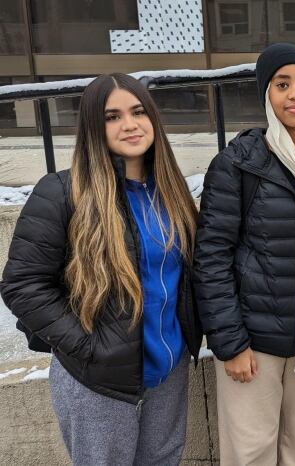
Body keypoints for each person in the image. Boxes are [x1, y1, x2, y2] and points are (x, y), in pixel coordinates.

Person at [0, 73, 202, 466]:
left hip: (167, 370)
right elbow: (23, 284)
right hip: (98, 379)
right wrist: (87, 347)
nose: (129, 124)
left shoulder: (171, 192)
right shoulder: (61, 192)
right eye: (112, 116)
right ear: (94, 126)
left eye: (138, 111)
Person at [193, 43, 295, 466]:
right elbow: (211, 258)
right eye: (282, 84)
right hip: (254, 342)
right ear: (267, 94)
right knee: (251, 453)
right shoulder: (238, 164)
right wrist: (230, 344)